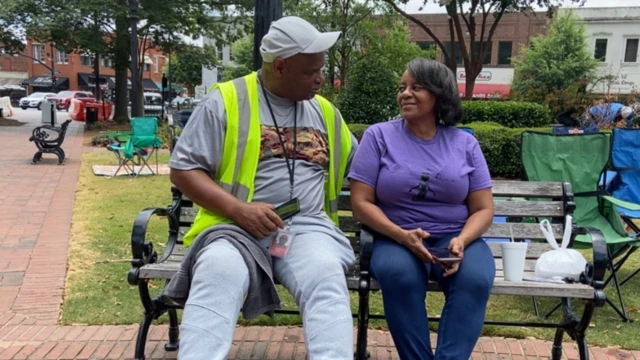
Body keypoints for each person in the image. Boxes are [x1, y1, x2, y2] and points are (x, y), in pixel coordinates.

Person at [165, 16, 359, 359]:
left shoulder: (327, 113)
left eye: (321, 69)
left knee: (325, 276)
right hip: (234, 227)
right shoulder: (226, 100)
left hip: (307, 230)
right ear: (280, 66)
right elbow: (183, 169)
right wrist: (238, 209)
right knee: (217, 273)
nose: (320, 78)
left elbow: (366, 170)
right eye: (310, 71)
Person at [348, 58, 495, 360]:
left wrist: (463, 240)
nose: (405, 94)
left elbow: (483, 209)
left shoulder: (465, 144)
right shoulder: (378, 136)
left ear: (439, 94)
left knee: (475, 279)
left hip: (453, 236)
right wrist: (402, 236)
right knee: (399, 275)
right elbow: (361, 204)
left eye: (416, 87)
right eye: (402, 88)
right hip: (393, 236)